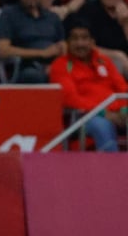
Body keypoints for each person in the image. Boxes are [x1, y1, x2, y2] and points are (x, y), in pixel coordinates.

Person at [48, 18, 127, 151]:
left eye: (85, 38)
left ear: (92, 42)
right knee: (101, 125)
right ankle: (113, 170)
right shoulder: (60, 65)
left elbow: (123, 89)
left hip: (118, 114)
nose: (80, 43)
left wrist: (124, 110)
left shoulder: (104, 61)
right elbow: (70, 99)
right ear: (67, 42)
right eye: (75, 39)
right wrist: (103, 113)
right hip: (85, 118)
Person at [0, 0, 66, 83]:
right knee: (33, 76)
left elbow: (63, 46)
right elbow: (3, 50)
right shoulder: (9, 14)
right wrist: (41, 54)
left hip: (54, 65)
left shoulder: (52, 17)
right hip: (26, 67)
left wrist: (56, 65)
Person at [79, 0, 128, 76]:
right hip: (94, 61)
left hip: (125, 63)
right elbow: (81, 45)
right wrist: (116, 55)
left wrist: (126, 24)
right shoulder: (88, 10)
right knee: (117, 65)